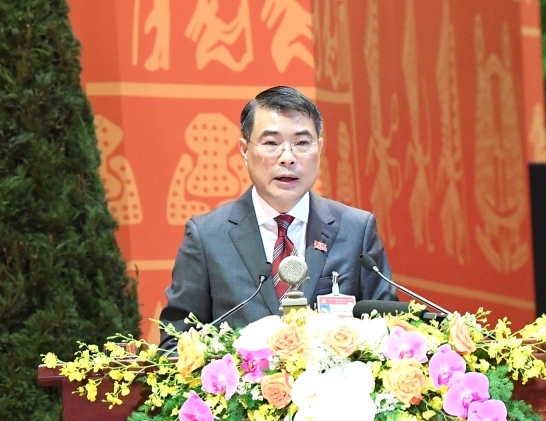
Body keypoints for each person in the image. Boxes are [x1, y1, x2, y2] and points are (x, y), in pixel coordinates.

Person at [158, 86, 397, 345]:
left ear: (319, 148)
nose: (288, 157)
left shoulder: (356, 230)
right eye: (271, 143)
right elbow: (175, 341)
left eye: (302, 143)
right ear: (244, 150)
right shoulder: (207, 237)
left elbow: (388, 333)